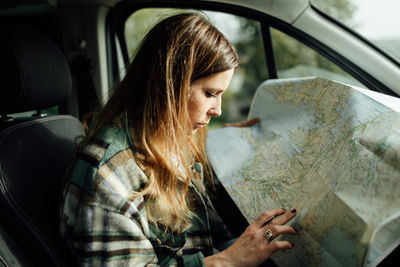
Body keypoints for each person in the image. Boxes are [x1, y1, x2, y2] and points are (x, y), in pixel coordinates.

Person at [60, 12, 297, 266]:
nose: (217, 110)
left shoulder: (172, 144)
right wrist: (227, 261)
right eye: (209, 94)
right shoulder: (106, 179)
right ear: (170, 86)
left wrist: (240, 138)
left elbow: (213, 237)